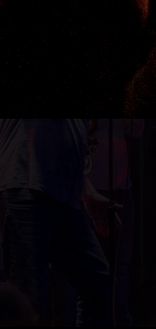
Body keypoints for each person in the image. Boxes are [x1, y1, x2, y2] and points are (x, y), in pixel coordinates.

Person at [0, 119, 115, 327]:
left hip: (63, 197)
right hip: (27, 188)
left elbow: (62, 137)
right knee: (30, 302)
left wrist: (85, 191)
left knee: (98, 285)